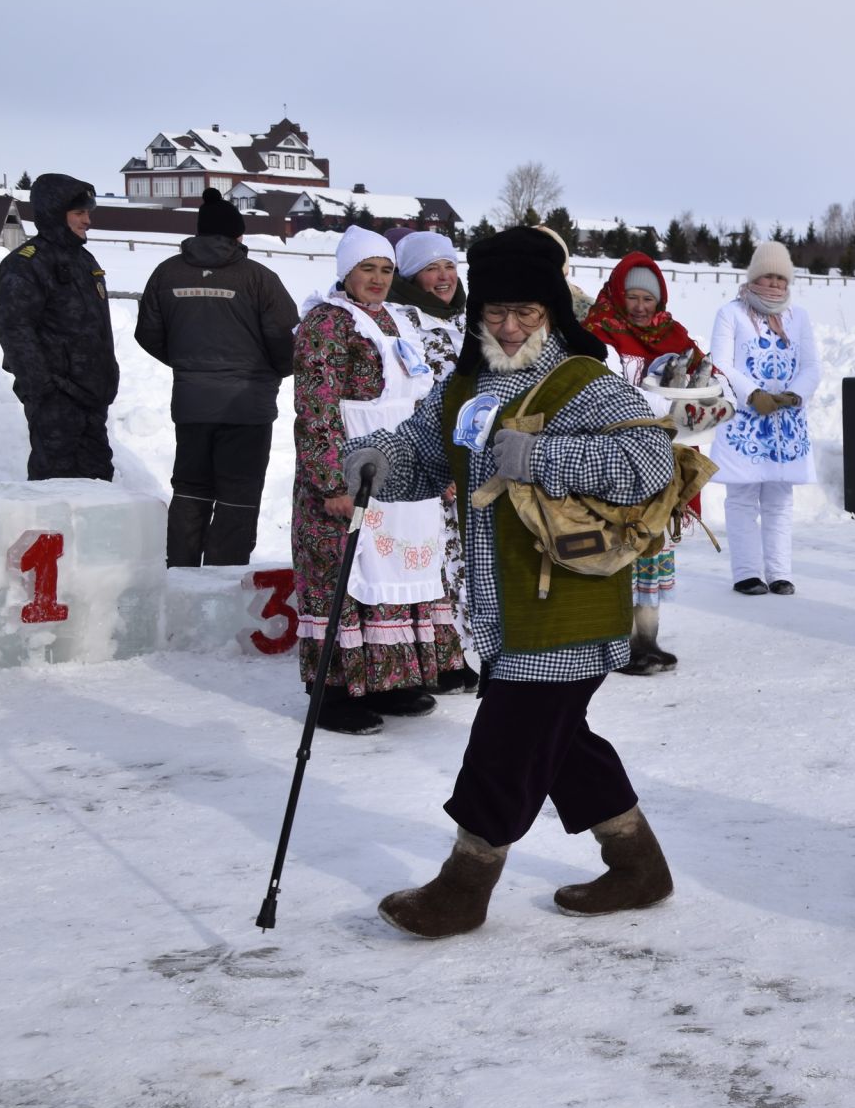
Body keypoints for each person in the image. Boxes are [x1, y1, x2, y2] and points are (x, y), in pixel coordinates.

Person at [340, 226, 678, 938]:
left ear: (553, 310)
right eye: (495, 312)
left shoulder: (584, 384)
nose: (510, 325)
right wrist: (376, 459)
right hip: (500, 605)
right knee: (560, 743)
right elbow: (426, 456)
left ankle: (465, 885)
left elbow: (651, 467)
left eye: (526, 311)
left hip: (570, 601)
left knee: (507, 744)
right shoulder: (467, 385)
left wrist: (545, 456)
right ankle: (638, 864)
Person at [290, 226, 468, 735]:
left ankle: (388, 680)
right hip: (349, 469)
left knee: (394, 577)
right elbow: (316, 410)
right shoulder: (327, 324)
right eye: (367, 268)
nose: (377, 279)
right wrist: (331, 483)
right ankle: (331, 694)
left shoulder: (394, 321)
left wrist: (439, 468)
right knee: (342, 581)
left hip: (401, 473)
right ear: (345, 271)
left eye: (386, 269)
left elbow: (422, 403)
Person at [584, 251, 734, 672]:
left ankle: (646, 639)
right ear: (617, 294)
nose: (639, 306)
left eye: (648, 299)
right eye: (631, 297)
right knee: (619, 546)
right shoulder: (596, 333)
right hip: (616, 458)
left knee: (652, 545)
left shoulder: (674, 336)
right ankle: (616, 643)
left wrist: (709, 405)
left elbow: (712, 379)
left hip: (663, 459)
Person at [134, 189, 297, 566]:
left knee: (191, 489)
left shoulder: (167, 272)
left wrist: (187, 364)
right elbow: (285, 338)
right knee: (238, 494)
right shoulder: (259, 277)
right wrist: (271, 372)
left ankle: (181, 575)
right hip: (248, 407)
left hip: (191, 404)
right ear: (238, 236)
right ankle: (222, 580)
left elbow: (147, 333)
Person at [389, 229, 480, 693]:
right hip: (433, 464)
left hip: (476, 459)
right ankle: (440, 658)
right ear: (410, 275)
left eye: (449, 266)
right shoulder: (401, 322)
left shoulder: (469, 318)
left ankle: (467, 652)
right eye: (431, 268)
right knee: (432, 562)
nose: (444, 277)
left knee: (468, 560)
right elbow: (409, 397)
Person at [0, 173, 119, 481]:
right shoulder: (26, 264)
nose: (87, 220)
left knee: (99, 492)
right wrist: (44, 392)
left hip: (91, 401)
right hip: (57, 404)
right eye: (79, 213)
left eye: (88, 212)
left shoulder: (84, 260)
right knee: (55, 494)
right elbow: (14, 330)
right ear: (55, 214)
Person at [710, 241, 818, 596]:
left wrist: (795, 394)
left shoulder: (798, 316)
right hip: (745, 419)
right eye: (767, 276)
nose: (774, 283)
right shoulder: (732, 313)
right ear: (754, 277)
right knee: (741, 498)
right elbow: (722, 364)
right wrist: (753, 394)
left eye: (780, 277)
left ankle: (780, 573)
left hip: (785, 423)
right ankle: (746, 573)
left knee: (779, 499)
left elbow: (811, 366)